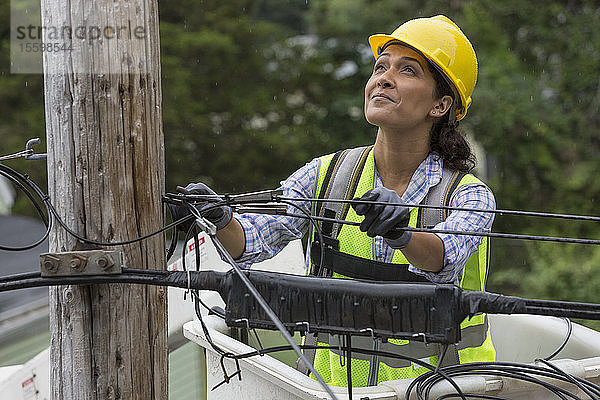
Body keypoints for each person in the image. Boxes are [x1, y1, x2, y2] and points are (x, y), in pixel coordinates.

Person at [176, 15, 496, 387]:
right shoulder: (326, 175)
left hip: (439, 391)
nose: (384, 78)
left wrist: (402, 234)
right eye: (381, 66)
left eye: (408, 70)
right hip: (328, 391)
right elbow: (250, 242)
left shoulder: (469, 195)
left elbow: (443, 259)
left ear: (440, 105)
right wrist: (219, 218)